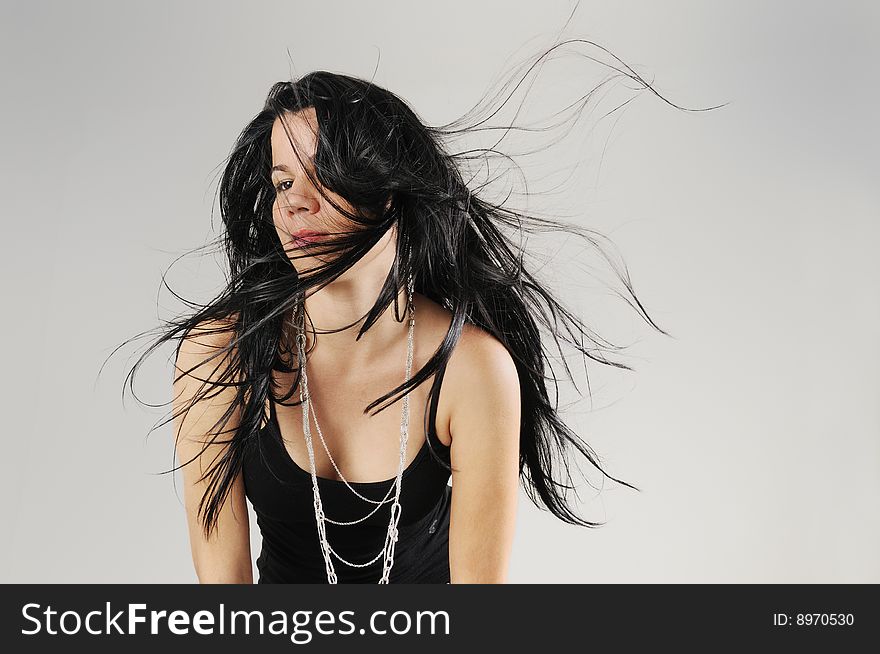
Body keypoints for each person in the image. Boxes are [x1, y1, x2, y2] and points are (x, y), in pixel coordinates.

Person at [120, 38, 677, 584]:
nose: (293, 202)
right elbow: (224, 590)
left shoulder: (473, 369)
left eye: (320, 177)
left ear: (387, 190)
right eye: (283, 181)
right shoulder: (221, 354)